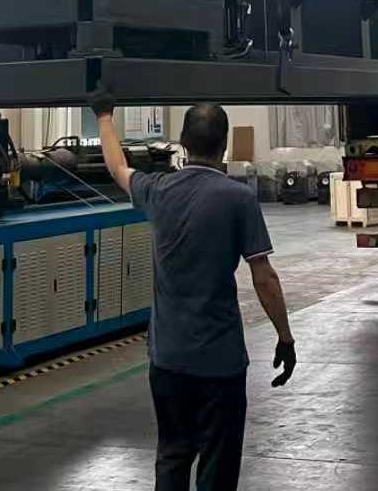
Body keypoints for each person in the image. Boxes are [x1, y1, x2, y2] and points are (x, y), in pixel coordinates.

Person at [89, 92, 295, 491]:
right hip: (220, 363)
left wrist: (104, 116)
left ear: (183, 142)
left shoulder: (157, 190)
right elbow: (264, 278)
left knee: (172, 455)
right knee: (218, 466)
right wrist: (284, 337)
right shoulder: (239, 198)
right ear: (225, 144)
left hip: (167, 360)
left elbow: (117, 167)